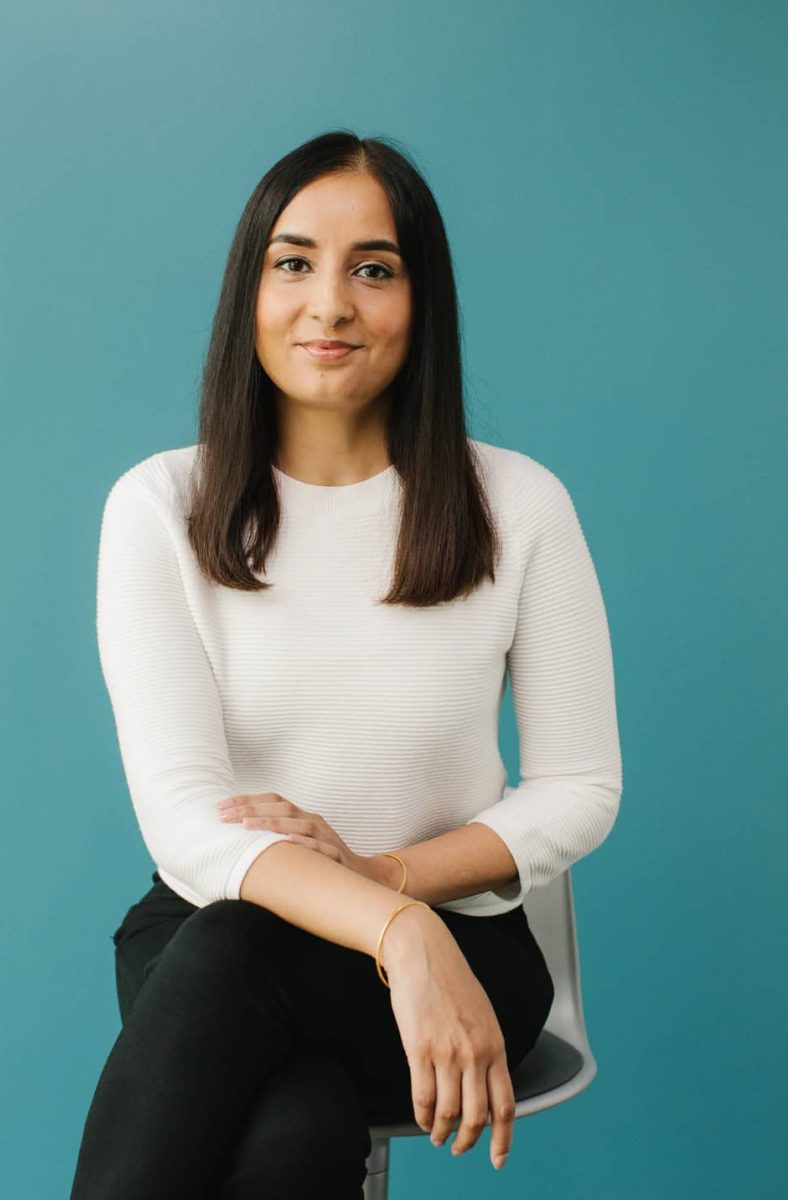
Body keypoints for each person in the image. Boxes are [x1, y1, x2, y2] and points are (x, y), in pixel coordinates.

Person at [68, 129, 622, 1200]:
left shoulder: (520, 505)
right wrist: (390, 926)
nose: (330, 302)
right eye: (294, 263)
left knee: (239, 969)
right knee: (294, 1128)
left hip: (462, 951)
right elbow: (182, 818)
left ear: (423, 302)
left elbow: (581, 788)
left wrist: (397, 890)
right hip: (210, 933)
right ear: (251, 291)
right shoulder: (158, 508)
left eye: (374, 267)